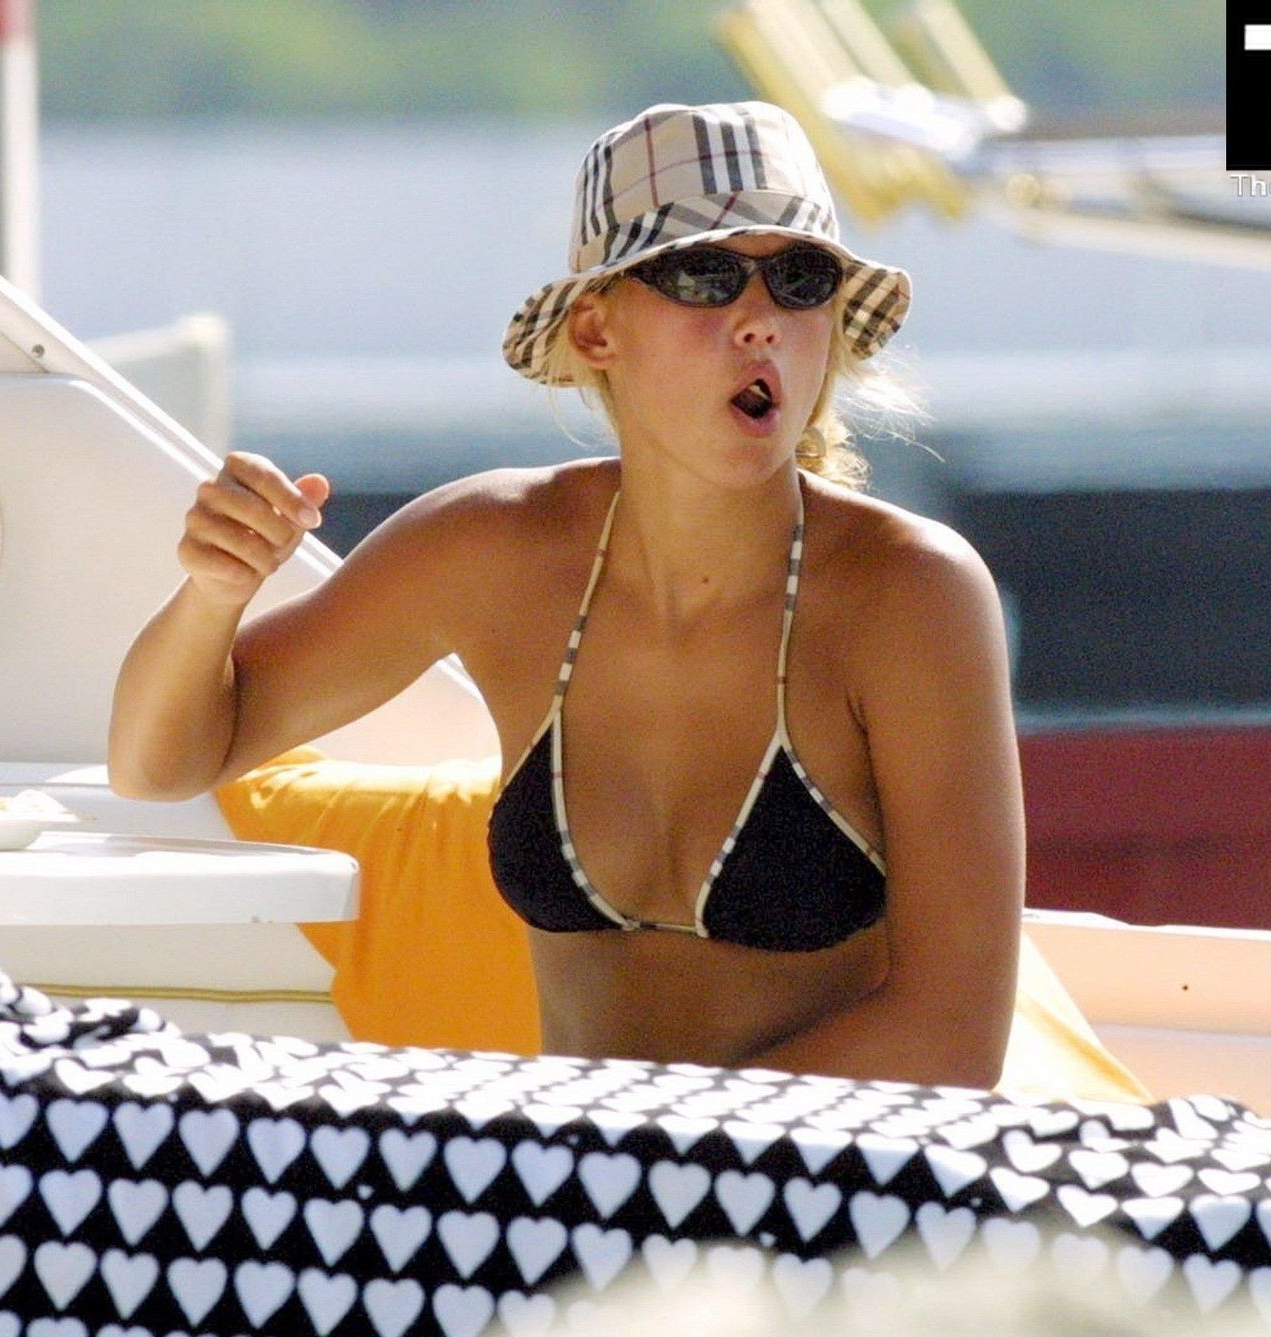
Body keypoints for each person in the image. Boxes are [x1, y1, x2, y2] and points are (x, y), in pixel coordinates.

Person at [109, 101, 1023, 1090]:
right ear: (595, 329)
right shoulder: (493, 548)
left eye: (799, 279)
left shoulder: (909, 593)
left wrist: (641, 1141)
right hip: (584, 1168)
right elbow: (158, 764)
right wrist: (214, 593)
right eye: (705, 275)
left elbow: (954, 1038)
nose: (761, 318)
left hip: (817, 1173)